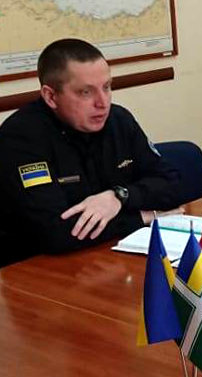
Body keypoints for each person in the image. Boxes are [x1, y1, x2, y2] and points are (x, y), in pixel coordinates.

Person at [0, 39, 182, 265]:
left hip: (111, 253)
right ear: (50, 96)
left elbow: (172, 184)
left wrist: (119, 196)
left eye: (107, 87)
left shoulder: (118, 120)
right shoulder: (21, 138)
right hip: (36, 267)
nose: (102, 103)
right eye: (86, 92)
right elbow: (56, 232)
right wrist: (143, 216)